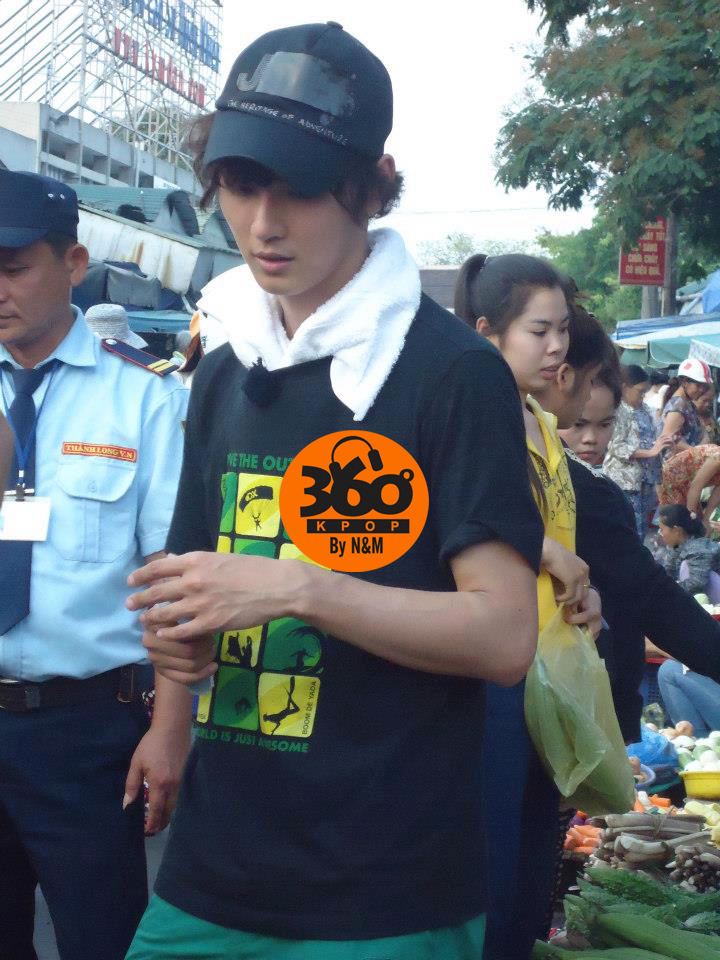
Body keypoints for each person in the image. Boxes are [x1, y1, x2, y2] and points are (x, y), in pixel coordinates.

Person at [123, 23, 543, 960]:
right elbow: (192, 580)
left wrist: (297, 587)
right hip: (213, 868)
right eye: (240, 184)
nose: (264, 223)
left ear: (373, 184)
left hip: (384, 888)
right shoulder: (225, 367)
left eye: (302, 188)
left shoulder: (453, 374)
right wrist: (171, 715)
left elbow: (504, 636)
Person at [0, 169, 191, 960]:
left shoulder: (145, 398)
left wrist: (171, 729)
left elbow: (173, 578)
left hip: (84, 732)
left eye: (13, 268)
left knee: (100, 939)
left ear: (74, 264)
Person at [454, 254, 601, 960]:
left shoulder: (542, 420)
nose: (557, 348)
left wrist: (584, 590)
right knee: (492, 868)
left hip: (552, 672)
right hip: (495, 676)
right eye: (539, 332)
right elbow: (455, 515)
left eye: (562, 330)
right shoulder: (468, 415)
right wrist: (545, 551)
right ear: (487, 333)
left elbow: (560, 535)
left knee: (536, 862)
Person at [602, 364, 671, 537]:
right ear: (625, 387)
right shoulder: (617, 411)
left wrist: (664, 441)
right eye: (640, 391)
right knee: (631, 528)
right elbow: (616, 446)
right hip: (624, 480)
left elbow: (652, 436)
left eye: (645, 392)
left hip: (644, 480)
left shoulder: (644, 409)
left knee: (641, 527)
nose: (643, 396)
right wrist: (651, 452)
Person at [653, 503, 720, 595]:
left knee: (684, 567)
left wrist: (665, 591)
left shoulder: (697, 550)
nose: (661, 534)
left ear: (676, 530)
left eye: (662, 529)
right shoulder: (678, 545)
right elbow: (668, 571)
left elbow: (696, 584)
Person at [657, 356, 713, 457]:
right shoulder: (677, 408)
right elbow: (667, 441)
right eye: (698, 385)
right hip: (676, 463)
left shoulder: (687, 403)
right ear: (684, 382)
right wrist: (698, 452)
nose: (701, 390)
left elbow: (701, 432)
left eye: (704, 386)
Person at [658, 443, 720, 516]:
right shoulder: (716, 459)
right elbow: (695, 487)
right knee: (677, 516)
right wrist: (691, 517)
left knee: (696, 517)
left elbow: (717, 494)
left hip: (690, 481)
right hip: (674, 475)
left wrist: (706, 518)